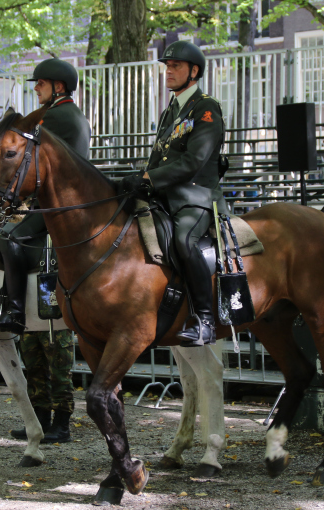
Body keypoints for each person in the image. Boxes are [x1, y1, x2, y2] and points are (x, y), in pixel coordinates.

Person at [0, 57, 90, 444]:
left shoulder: (57, 117)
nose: (37, 88)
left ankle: (11, 309)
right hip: (48, 203)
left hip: (59, 205)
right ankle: (42, 414)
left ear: (58, 86)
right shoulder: (60, 115)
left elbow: (41, 166)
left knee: (10, 238)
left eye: (41, 83)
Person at [123, 40, 226, 347]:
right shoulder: (172, 110)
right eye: (167, 66)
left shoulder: (206, 108)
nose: (168, 71)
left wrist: (150, 178)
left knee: (184, 240)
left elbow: (194, 161)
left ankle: (205, 320)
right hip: (165, 195)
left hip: (197, 196)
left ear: (194, 71)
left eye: (175, 66)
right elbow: (159, 156)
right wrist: (140, 181)